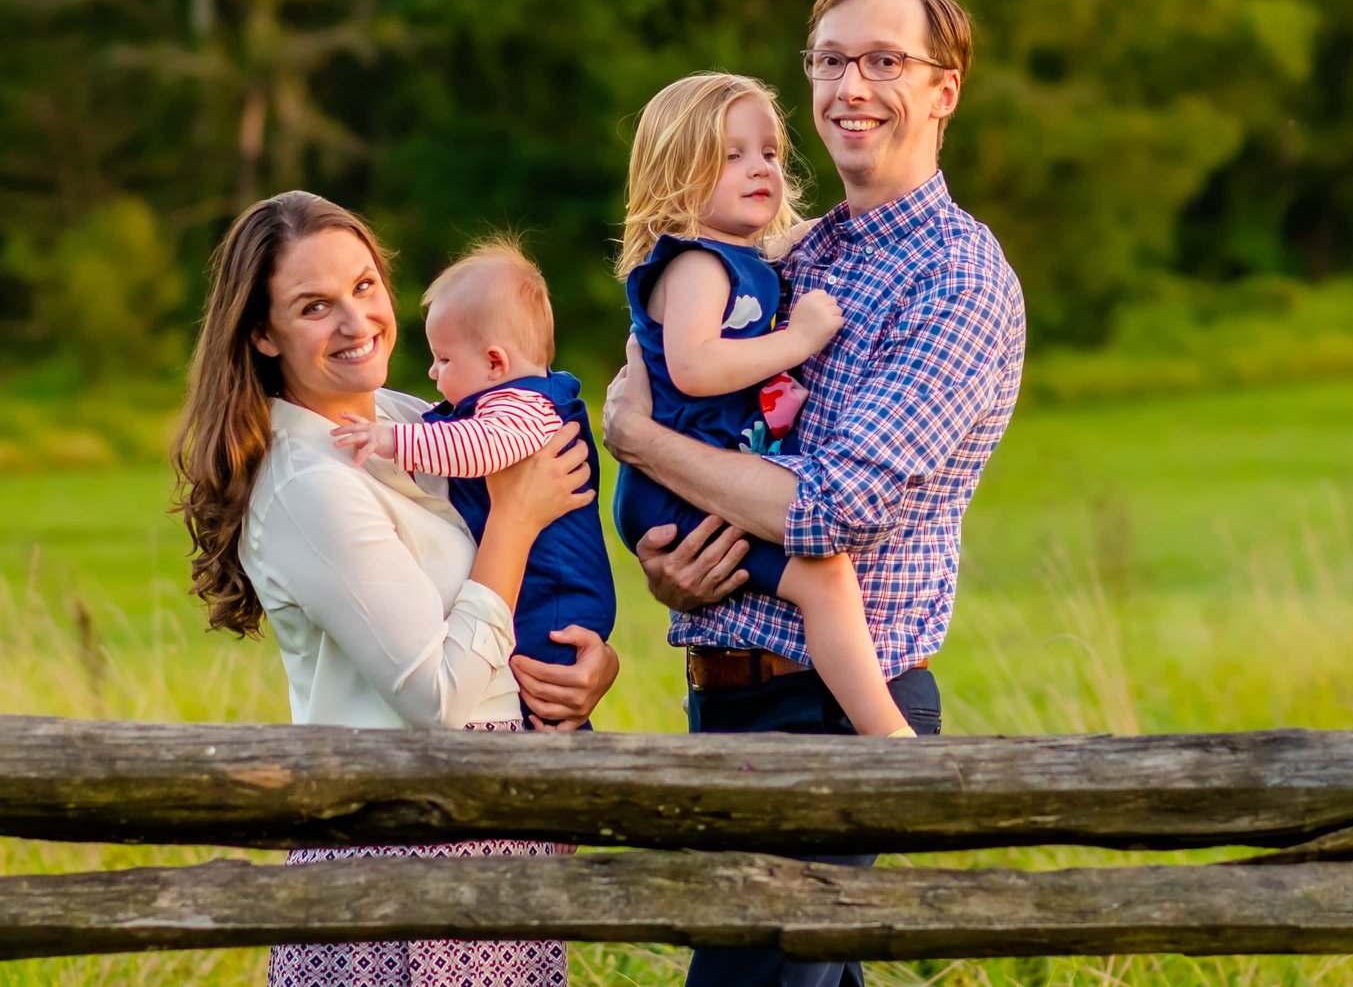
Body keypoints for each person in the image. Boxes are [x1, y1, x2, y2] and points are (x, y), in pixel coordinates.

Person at [601, 0, 1027, 987]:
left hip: (838, 713)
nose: (850, 87)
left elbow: (832, 506)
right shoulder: (792, 251)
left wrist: (644, 445)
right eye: (831, 61)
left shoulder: (956, 279)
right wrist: (672, 560)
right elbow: (685, 385)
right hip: (730, 699)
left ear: (943, 89)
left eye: (884, 60)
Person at [173, 191, 619, 987]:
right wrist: (516, 518)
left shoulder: (419, 421)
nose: (356, 322)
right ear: (264, 335)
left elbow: (522, 588)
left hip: (485, 837)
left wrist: (584, 672)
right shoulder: (309, 483)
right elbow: (440, 700)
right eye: (316, 306)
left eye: (365, 286)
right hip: (395, 853)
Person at [610, 71, 912, 739]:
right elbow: (692, 368)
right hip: (677, 491)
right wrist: (796, 339)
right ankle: (890, 738)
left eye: (771, 152)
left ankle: (880, 730)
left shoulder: (735, 257)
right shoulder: (695, 267)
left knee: (823, 578)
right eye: (731, 155)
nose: (761, 168)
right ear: (673, 172)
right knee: (824, 574)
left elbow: (778, 244)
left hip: (694, 478)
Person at [331, 239, 618, 725]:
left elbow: (475, 448)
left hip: (554, 594)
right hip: (545, 590)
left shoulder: (521, 409)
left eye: (443, 360)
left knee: (536, 694)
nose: (432, 371)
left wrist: (391, 441)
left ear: (494, 363)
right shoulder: (510, 402)